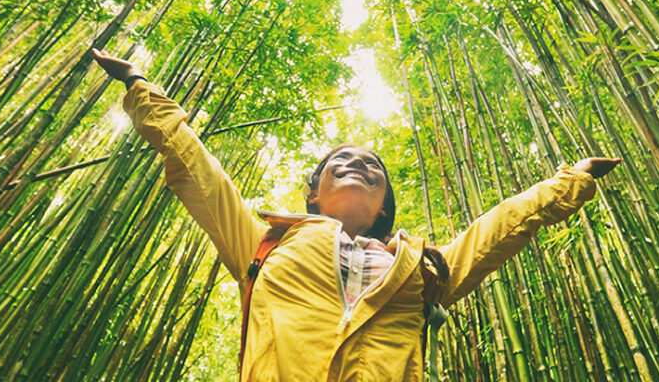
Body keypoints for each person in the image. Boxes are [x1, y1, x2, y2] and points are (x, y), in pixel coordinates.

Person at [92, 48, 621, 381]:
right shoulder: (262, 241)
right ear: (313, 195)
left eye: (371, 164)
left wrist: (571, 181)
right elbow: (195, 166)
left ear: (385, 203)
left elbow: (499, 227)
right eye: (338, 161)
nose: (356, 164)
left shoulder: (425, 267)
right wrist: (140, 87)